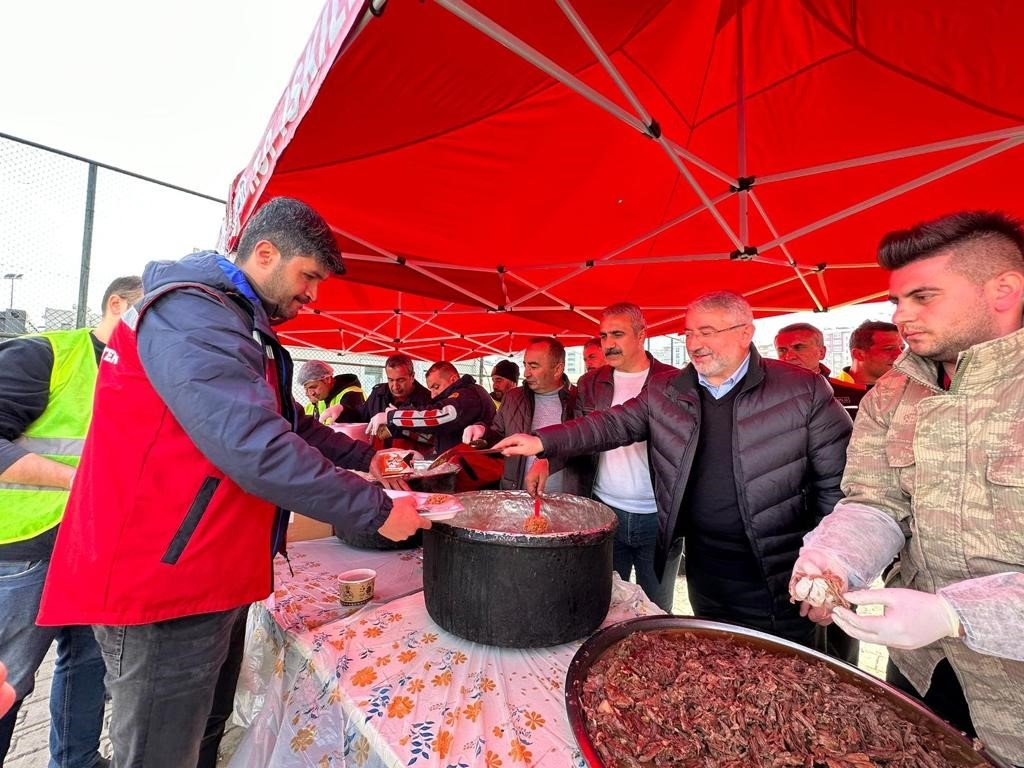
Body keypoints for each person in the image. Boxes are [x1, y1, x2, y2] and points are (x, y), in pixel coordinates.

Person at [35, 197, 429, 768]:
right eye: (308, 276)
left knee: (202, 735)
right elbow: (254, 446)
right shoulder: (191, 315)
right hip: (160, 584)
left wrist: (365, 459)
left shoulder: (232, 323)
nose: (313, 295)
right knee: (159, 753)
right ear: (264, 253)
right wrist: (374, 509)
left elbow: (287, 422)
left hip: (207, 572)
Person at [790, 210, 1024, 767]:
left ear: (1004, 290)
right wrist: (832, 560)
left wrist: (956, 614)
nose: (901, 317)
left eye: (923, 297)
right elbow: (874, 503)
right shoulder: (893, 391)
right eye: (896, 301)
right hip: (924, 668)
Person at [496, 291, 854, 653]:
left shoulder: (801, 389)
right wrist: (542, 441)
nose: (694, 344)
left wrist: (828, 565)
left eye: (708, 332)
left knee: (782, 671)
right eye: (689, 334)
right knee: (713, 656)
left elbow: (838, 486)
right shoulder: (671, 390)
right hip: (705, 566)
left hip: (779, 569)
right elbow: (610, 425)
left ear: (745, 332)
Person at [0, 275, 142, 768]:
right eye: (149, 316)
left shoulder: (142, 376)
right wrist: (83, 479)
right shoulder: (45, 355)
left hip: (96, 548)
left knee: (87, 663)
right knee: (8, 680)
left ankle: (77, 761)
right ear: (117, 304)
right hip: (23, 551)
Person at [535, 302, 679, 609]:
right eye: (603, 336)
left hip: (659, 517)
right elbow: (577, 434)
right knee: (605, 601)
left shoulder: (674, 382)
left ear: (642, 335)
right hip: (605, 510)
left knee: (657, 608)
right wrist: (546, 458)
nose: (609, 343)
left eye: (617, 334)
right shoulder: (591, 383)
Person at [462, 337, 586, 494]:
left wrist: (549, 460)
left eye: (534, 366)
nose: (526, 373)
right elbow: (499, 434)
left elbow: (585, 446)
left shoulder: (579, 400)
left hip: (564, 497)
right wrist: (482, 431)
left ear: (557, 369)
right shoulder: (513, 397)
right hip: (517, 493)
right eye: (525, 365)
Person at [371, 361, 496, 456]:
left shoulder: (468, 395)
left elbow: (440, 415)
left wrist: (392, 417)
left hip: (473, 470)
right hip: (463, 464)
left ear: (453, 379)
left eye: (436, 387)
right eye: (430, 389)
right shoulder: (469, 392)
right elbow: (435, 432)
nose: (432, 394)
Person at [774, 322, 867, 411]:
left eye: (799, 347)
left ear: (822, 352)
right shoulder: (765, 395)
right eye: (782, 350)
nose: (789, 356)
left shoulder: (855, 394)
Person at [832, 320, 902, 387]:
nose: (901, 355)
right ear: (858, 354)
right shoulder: (829, 392)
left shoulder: (904, 390)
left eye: (902, 348)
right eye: (889, 349)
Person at [298, 359, 365, 424]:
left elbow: (354, 430)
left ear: (327, 379)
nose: (310, 393)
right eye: (306, 389)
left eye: (313, 387)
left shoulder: (351, 395)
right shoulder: (323, 396)